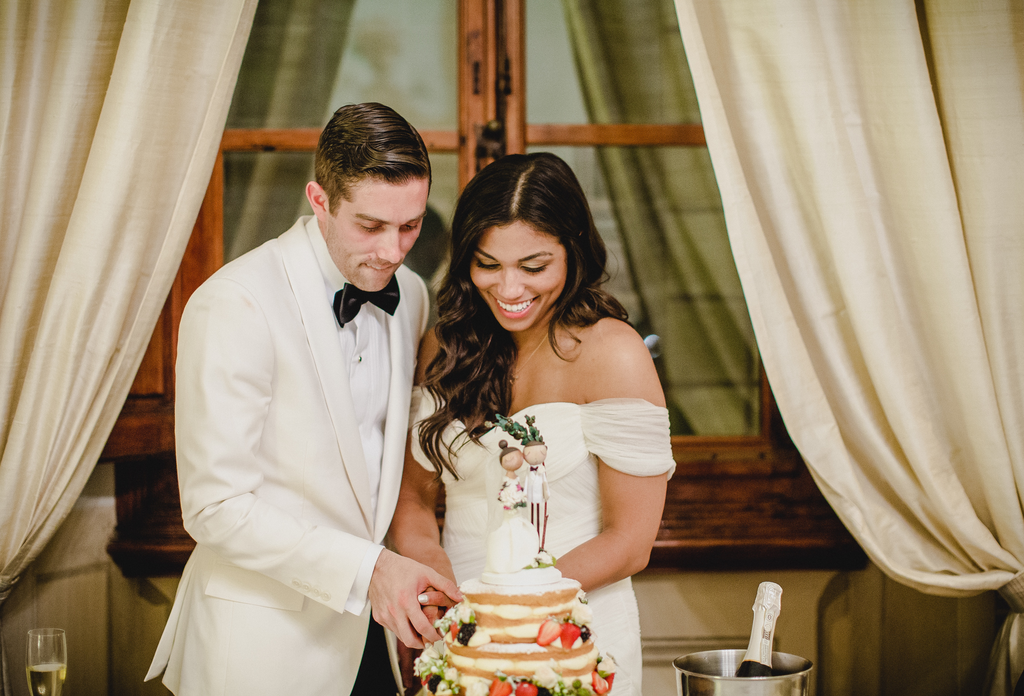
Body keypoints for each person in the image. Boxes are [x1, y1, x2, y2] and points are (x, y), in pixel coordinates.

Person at [145, 103, 462, 696]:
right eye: (370, 226)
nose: (394, 252)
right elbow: (215, 507)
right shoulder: (235, 302)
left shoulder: (412, 296)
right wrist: (370, 570)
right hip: (261, 649)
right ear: (319, 201)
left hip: (373, 645)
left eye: (410, 226)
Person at [388, 152, 676, 696]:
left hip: (573, 625)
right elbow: (414, 498)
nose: (510, 288)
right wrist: (437, 586)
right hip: (459, 631)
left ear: (574, 251)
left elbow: (631, 540)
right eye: (488, 263)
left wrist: (508, 608)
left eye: (534, 266)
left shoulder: (614, 353)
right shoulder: (445, 346)